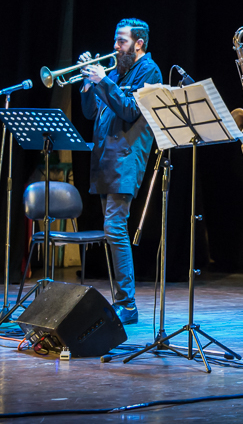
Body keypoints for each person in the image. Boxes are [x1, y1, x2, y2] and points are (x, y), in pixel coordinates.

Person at [79, 18, 162, 325]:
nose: (115, 47)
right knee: (112, 229)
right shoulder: (114, 72)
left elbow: (129, 110)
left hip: (126, 159)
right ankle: (123, 302)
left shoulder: (149, 71)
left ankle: (127, 304)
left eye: (121, 41)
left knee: (115, 228)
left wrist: (104, 81)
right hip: (105, 158)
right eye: (115, 41)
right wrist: (88, 82)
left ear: (139, 43)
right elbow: (90, 112)